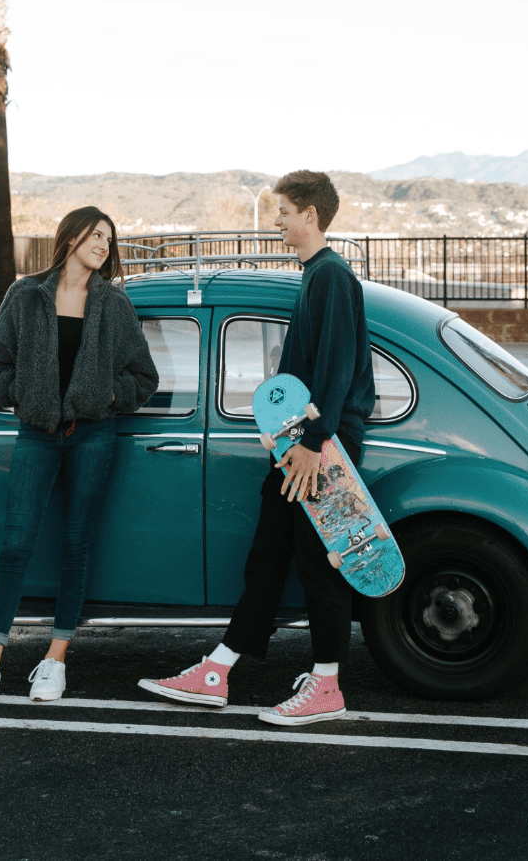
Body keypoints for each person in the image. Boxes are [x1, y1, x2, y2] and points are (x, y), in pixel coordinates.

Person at [139, 170, 375, 726]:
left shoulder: (334, 278)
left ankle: (327, 686)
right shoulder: (317, 276)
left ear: (311, 215)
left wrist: (315, 444)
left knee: (320, 564)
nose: (278, 222)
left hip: (321, 447)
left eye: (284, 212)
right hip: (300, 443)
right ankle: (217, 671)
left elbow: (337, 370)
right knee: (268, 554)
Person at [0, 206, 159, 705]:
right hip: (36, 434)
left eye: (110, 237)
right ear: (71, 237)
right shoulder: (25, 294)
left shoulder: (115, 305)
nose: (104, 244)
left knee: (76, 544)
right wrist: (24, 395)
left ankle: (54, 662)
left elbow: (143, 378)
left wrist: (103, 399)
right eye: (96, 234)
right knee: (15, 544)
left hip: (94, 436)